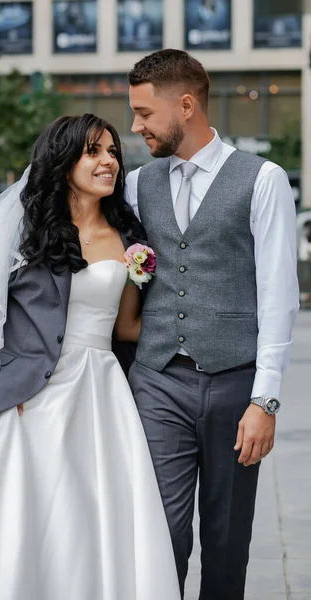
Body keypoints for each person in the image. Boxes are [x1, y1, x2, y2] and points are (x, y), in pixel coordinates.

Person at [0, 114, 180, 600]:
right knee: (30, 517)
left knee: (100, 514)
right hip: (33, 398)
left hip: (103, 393)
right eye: (93, 152)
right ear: (64, 161)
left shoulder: (129, 238)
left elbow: (126, 329)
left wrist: (192, 335)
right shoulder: (29, 234)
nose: (108, 162)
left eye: (113, 152)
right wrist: (6, 383)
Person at [124, 49, 299, 599]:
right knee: (160, 535)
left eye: (145, 114)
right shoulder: (136, 184)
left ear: (186, 104)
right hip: (156, 381)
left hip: (232, 384)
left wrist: (264, 400)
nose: (136, 126)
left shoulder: (263, 179)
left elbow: (279, 295)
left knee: (226, 541)